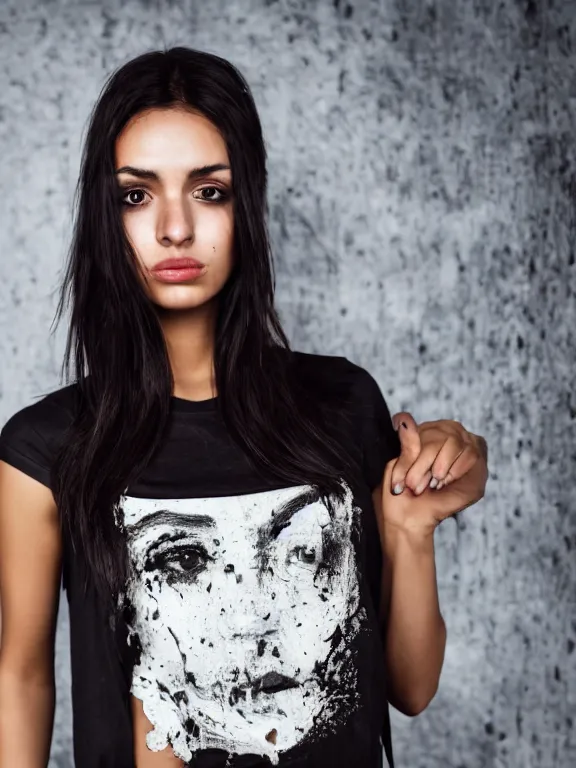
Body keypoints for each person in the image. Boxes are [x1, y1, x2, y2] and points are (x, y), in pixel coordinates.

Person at [0, 48, 488, 768]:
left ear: (247, 203)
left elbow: (410, 688)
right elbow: (21, 674)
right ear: (106, 217)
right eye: (136, 195)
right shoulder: (47, 448)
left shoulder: (343, 406)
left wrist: (411, 529)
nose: (173, 228)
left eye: (209, 191)